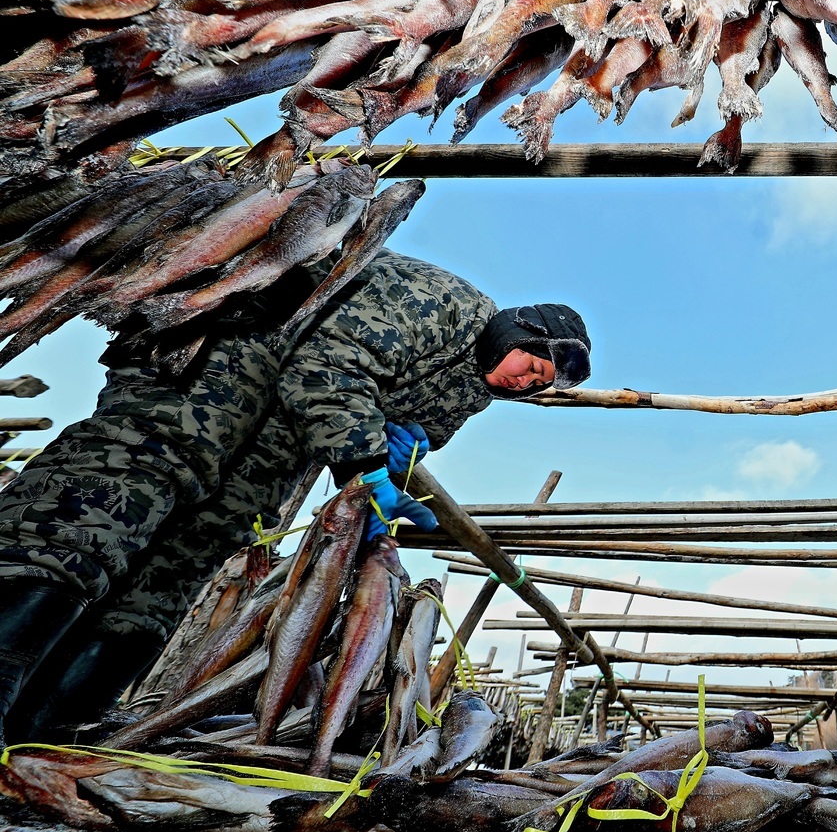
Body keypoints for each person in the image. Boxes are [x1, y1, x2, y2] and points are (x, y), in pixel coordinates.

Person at [0, 249, 591, 746]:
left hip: (289, 431)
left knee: (196, 549)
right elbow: (326, 370)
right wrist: (364, 463)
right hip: (237, 350)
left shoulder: (475, 390)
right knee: (131, 481)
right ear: (519, 330)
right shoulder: (443, 303)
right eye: (532, 364)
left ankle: (44, 730)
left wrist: (399, 461)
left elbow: (410, 437)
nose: (525, 381)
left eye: (536, 386)